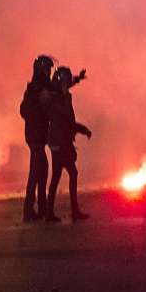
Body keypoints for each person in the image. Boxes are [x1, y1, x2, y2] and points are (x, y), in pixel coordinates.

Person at [45, 66, 91, 222]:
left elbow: (68, 120)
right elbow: (66, 119)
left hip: (59, 141)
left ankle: (50, 213)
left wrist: (78, 78)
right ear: (60, 82)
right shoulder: (57, 99)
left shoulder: (58, 95)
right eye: (65, 81)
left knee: (58, 176)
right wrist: (82, 129)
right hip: (59, 141)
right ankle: (73, 212)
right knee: (71, 173)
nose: (67, 84)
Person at [20, 55, 55, 222]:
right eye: (48, 69)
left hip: (37, 136)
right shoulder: (35, 89)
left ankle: (40, 208)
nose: (49, 72)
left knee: (42, 169)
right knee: (36, 172)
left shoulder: (38, 88)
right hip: (35, 136)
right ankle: (29, 211)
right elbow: (24, 111)